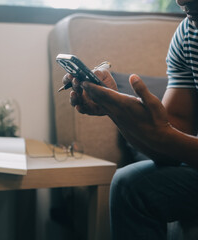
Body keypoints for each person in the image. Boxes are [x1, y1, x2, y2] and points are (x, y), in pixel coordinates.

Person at [62, 0, 198, 239]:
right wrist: (117, 110)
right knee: (129, 185)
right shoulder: (188, 34)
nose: (180, 1)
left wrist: (162, 135)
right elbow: (173, 150)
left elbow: (167, 138)